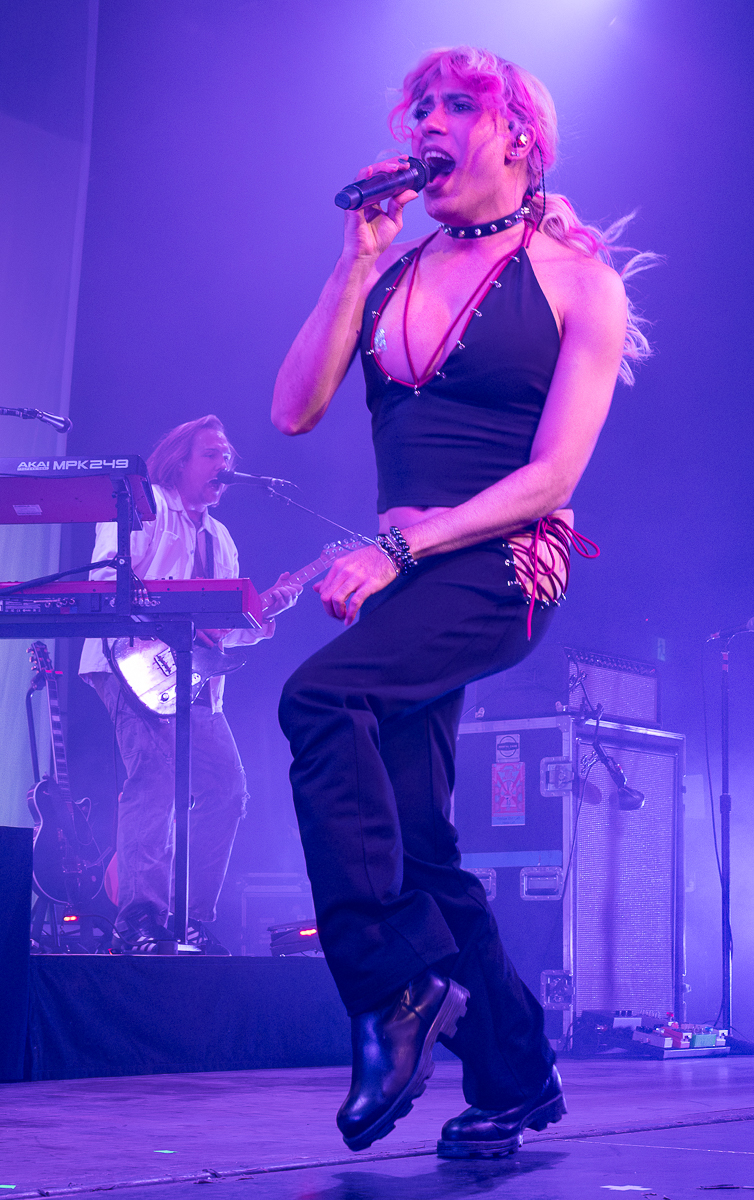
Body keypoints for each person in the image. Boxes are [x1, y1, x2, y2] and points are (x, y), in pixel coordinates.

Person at [272, 47, 651, 1157]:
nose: (426, 125)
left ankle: (391, 987)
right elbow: (293, 409)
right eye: (419, 109)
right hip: (407, 570)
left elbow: (553, 478)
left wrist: (402, 545)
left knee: (317, 697)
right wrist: (352, 263)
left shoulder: (577, 280)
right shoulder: (393, 269)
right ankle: (516, 1069)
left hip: (502, 567)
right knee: (419, 839)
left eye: (456, 106)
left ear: (518, 137)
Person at [79, 415, 301, 953]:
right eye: (211, 455)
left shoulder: (221, 538)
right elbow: (105, 584)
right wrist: (176, 619)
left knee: (228, 789)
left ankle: (191, 919)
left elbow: (222, 634)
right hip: (130, 663)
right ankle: (138, 920)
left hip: (194, 680)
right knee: (155, 781)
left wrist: (264, 614)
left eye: (228, 456)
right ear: (180, 461)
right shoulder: (145, 506)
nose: (224, 465)